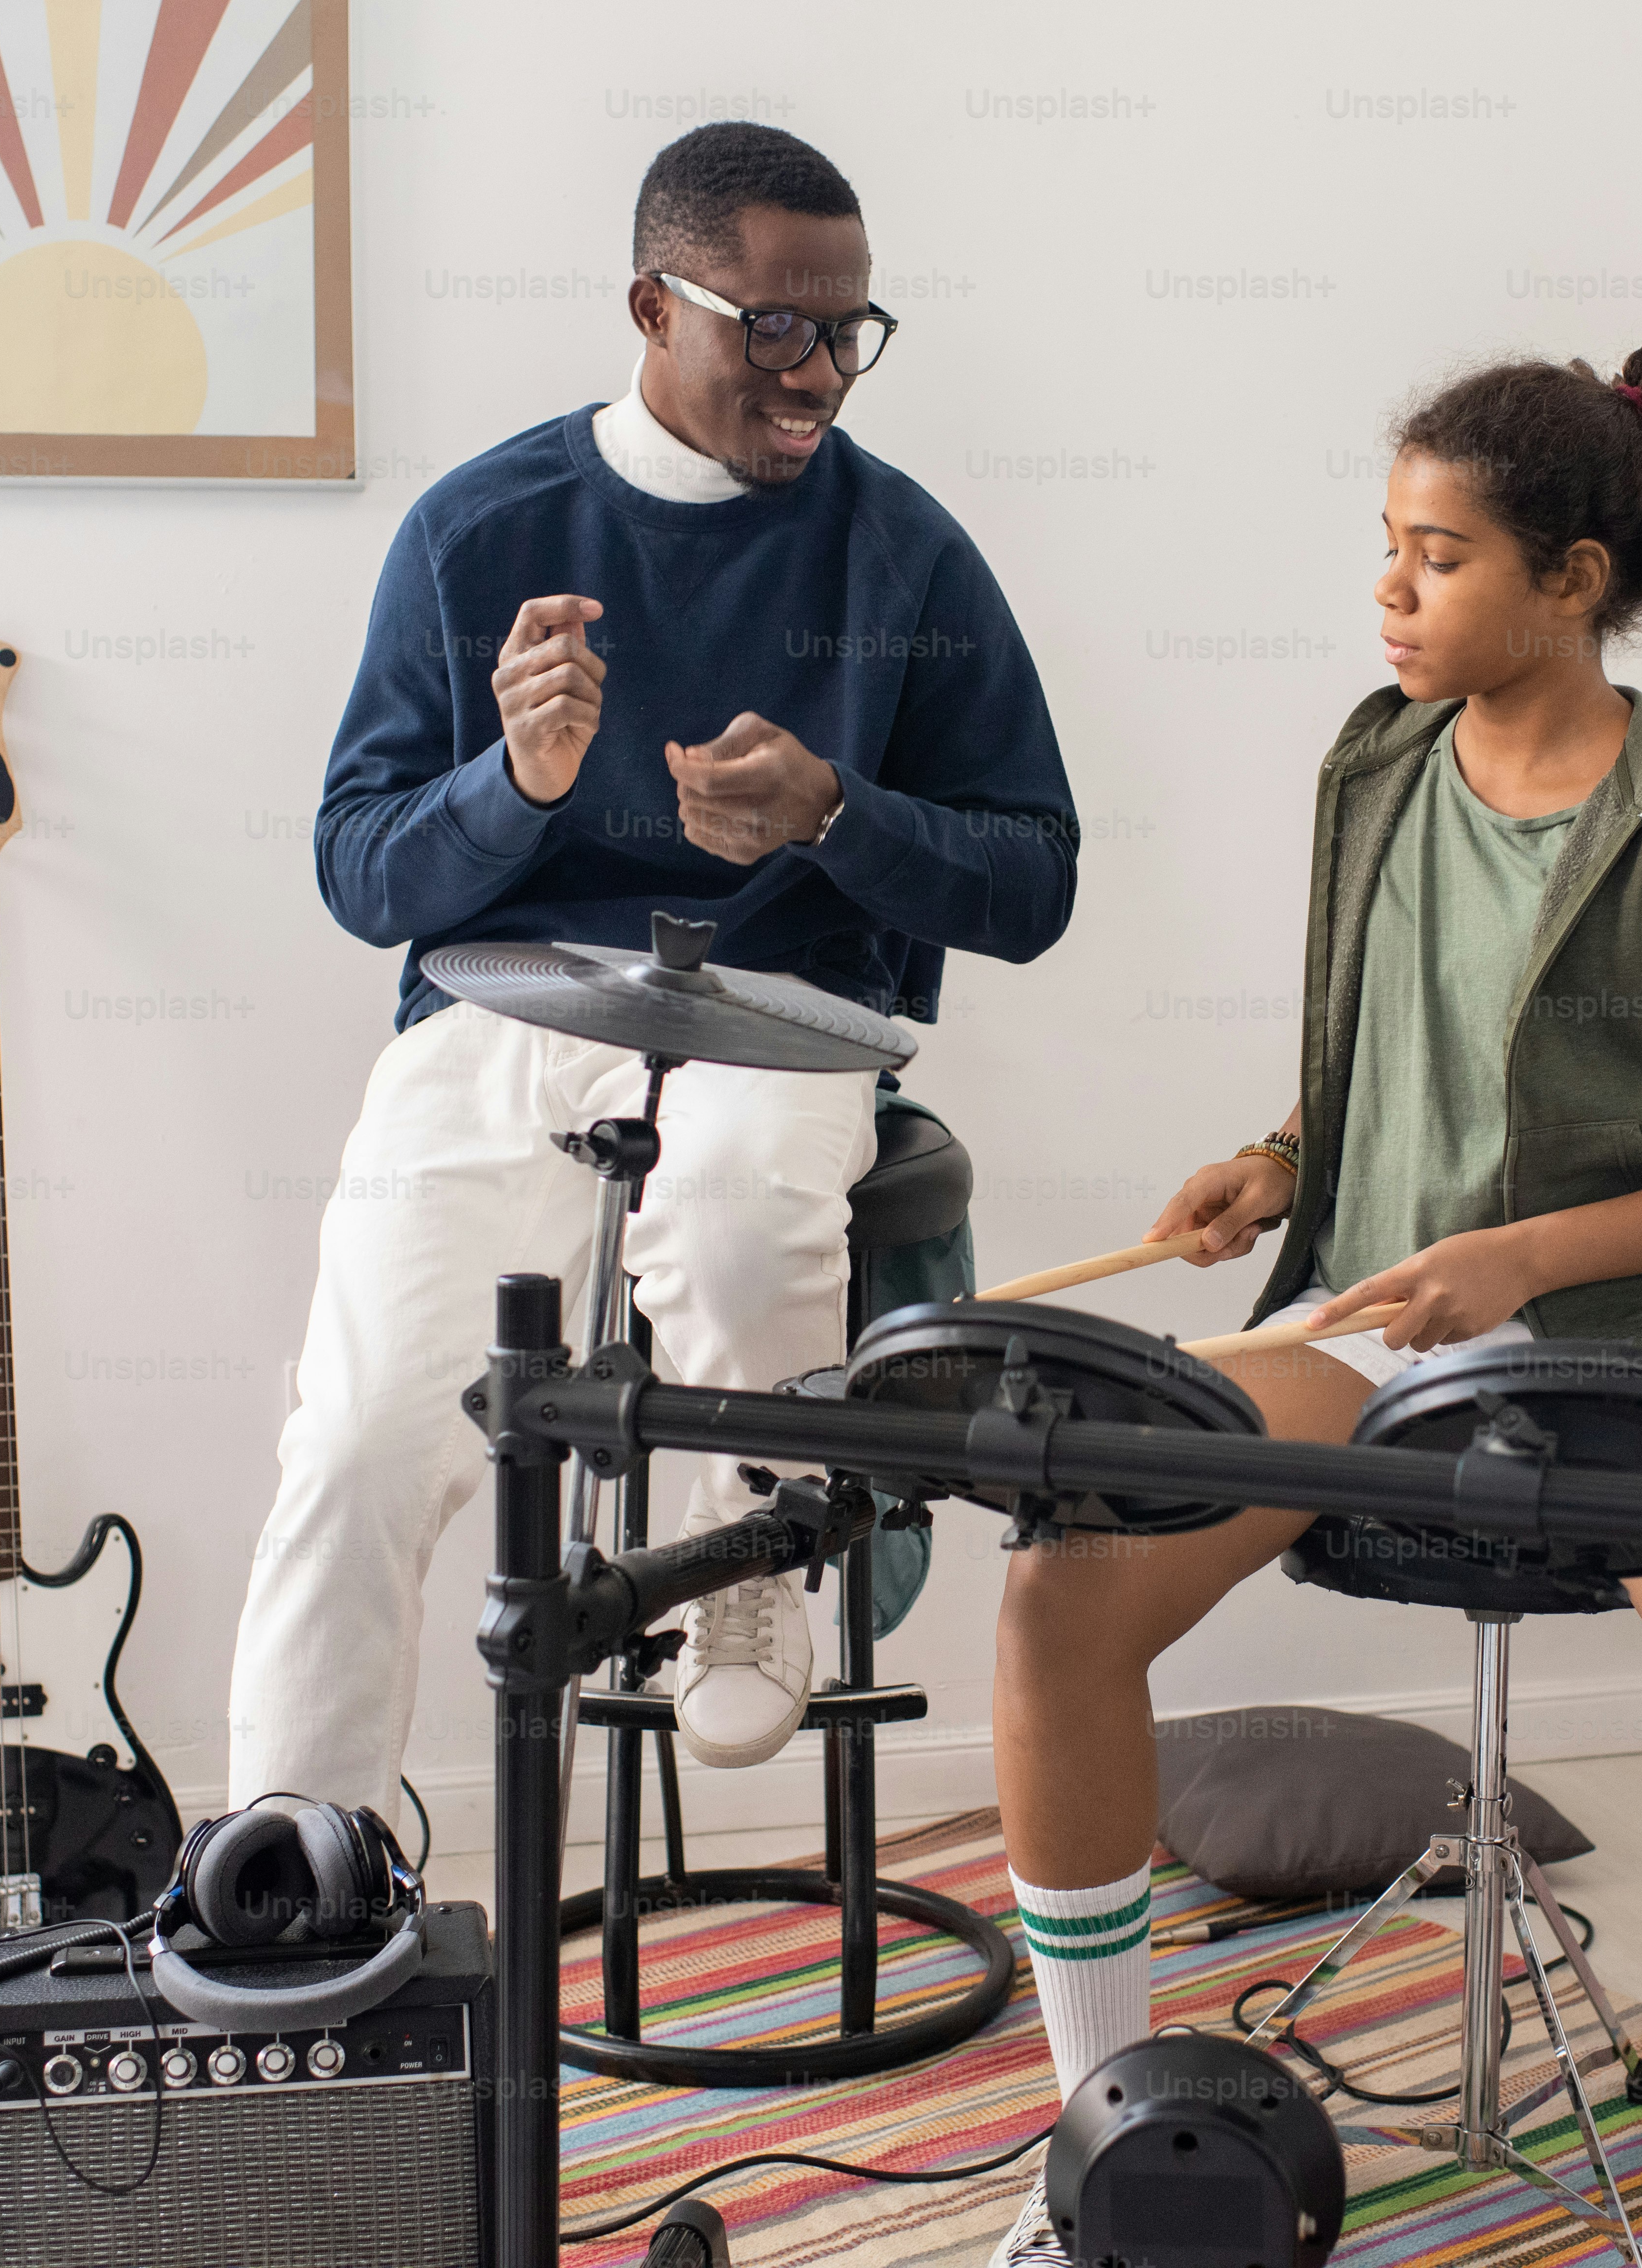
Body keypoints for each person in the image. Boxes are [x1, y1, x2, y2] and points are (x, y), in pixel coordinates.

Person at [983, 332, 1642, 2268]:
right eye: (1386, 547)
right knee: (1063, 1578)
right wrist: (1285, 1158)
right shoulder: (1379, 755)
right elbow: (1405, 1042)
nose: (1388, 592)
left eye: (1439, 555)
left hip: (1627, 1365)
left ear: (1571, 582)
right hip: (1366, 1341)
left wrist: (1531, 1258)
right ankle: (1095, 2159)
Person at [228, 123, 1077, 1811]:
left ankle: (746, 1571)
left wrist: (838, 816)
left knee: (742, 1224)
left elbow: (1034, 879)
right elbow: (356, 865)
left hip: (782, 1028)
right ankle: (291, 1856)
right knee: (358, 1435)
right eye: (777, 327)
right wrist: (513, 786)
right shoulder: (481, 530)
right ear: (651, 302)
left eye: (849, 331)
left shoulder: (902, 554)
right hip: (502, 1013)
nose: (822, 372)